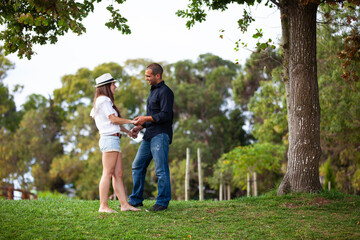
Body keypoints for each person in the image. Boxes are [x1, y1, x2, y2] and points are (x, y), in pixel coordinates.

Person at [90, 73, 141, 213]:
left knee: (118, 173)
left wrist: (128, 132)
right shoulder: (104, 100)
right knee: (107, 172)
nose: (115, 86)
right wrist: (131, 121)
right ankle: (103, 206)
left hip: (113, 139)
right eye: (113, 84)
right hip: (109, 139)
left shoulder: (102, 101)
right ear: (106, 86)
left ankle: (124, 205)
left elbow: (112, 123)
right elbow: (112, 119)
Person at [129, 63, 174, 211]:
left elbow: (165, 115)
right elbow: (153, 117)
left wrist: (145, 118)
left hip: (160, 135)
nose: (146, 78)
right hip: (149, 135)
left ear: (157, 75)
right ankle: (136, 200)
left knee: (160, 169)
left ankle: (162, 202)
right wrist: (140, 126)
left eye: (148, 76)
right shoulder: (153, 91)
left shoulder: (166, 92)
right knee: (137, 166)